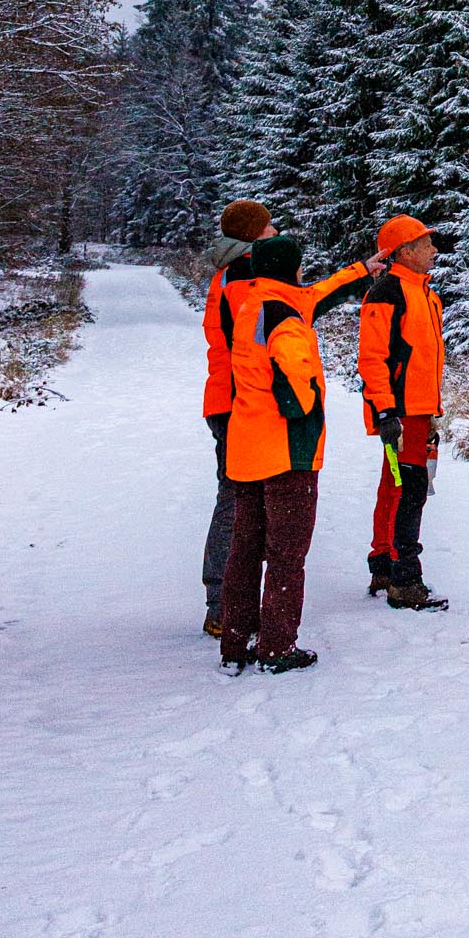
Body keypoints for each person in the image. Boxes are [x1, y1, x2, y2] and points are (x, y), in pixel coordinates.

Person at [217, 233, 372, 673]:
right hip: (287, 453)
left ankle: (236, 642)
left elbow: (316, 295)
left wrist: (361, 270)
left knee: (244, 550)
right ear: (291, 269)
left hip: (247, 449)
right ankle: (277, 648)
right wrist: (305, 405)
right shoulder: (286, 317)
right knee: (287, 556)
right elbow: (293, 378)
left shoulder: (252, 305)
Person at [361, 214, 448, 612]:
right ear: (405, 251)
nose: (434, 250)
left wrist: (431, 410)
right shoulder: (387, 293)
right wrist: (386, 411)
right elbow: (373, 359)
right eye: (426, 243)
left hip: (418, 410)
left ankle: (384, 564)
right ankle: (405, 579)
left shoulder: (426, 293)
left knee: (397, 486)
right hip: (400, 411)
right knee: (409, 490)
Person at [198, 198, 274, 636]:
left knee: (239, 499)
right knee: (237, 502)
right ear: (252, 234)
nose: (274, 229)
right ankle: (223, 605)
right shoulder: (244, 276)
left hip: (229, 400)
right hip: (238, 403)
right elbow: (260, 341)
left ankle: (226, 602)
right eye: (267, 225)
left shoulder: (230, 273)